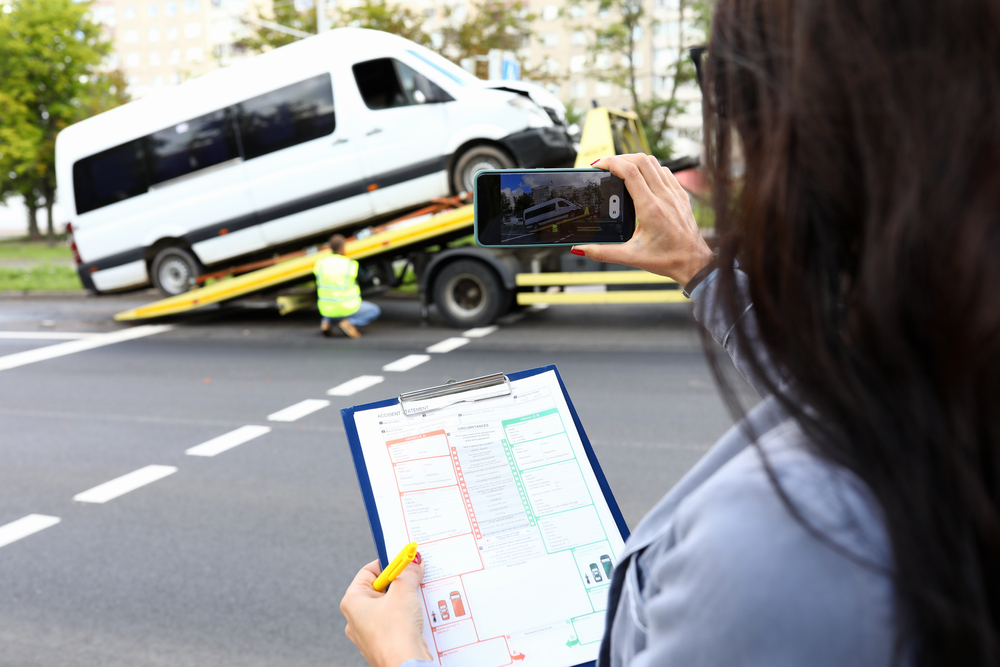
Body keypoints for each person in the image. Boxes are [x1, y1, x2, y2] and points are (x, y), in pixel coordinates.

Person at [339, 0, 1000, 664]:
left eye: (729, 88)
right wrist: (695, 263)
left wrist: (404, 657)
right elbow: (836, 381)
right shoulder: (949, 374)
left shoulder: (787, 542)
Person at [314, 234, 380, 339]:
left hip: (326, 308)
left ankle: (326, 322)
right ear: (342, 248)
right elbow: (366, 280)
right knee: (374, 310)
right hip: (346, 307)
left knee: (333, 310)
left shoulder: (321, 263)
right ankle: (349, 322)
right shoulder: (350, 264)